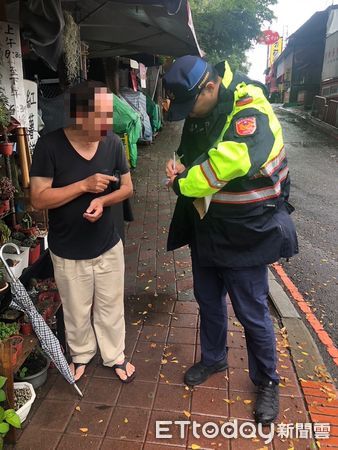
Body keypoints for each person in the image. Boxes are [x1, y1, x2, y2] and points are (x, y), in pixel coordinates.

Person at [163, 55, 298, 425]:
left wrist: (181, 182)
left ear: (210, 86)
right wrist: (179, 163)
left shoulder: (248, 103)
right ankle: (213, 356)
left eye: (192, 106)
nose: (190, 115)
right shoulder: (204, 108)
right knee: (207, 300)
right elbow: (192, 153)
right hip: (207, 228)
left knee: (252, 311)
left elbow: (230, 161)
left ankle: (267, 380)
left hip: (246, 231)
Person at [30, 81, 136, 383]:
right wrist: (84, 186)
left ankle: (115, 356)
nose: (107, 124)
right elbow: (38, 198)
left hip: (107, 245)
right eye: (99, 117)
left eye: (108, 115)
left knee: (111, 306)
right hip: (67, 248)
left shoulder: (113, 143)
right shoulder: (50, 146)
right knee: (76, 311)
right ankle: (81, 355)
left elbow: (127, 188)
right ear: (77, 115)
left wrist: (102, 200)